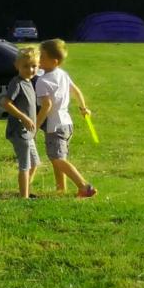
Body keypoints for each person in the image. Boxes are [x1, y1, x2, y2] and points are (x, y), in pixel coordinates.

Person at [34, 38, 97, 199]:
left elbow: (46, 106)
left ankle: (84, 186)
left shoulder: (43, 81)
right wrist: (83, 108)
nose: (38, 59)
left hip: (54, 126)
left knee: (56, 158)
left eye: (42, 57)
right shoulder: (62, 74)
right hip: (67, 124)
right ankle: (60, 189)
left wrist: (35, 125)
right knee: (59, 158)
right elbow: (76, 91)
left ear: (54, 61)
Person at [1, 45, 43, 199]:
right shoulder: (17, 83)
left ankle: (24, 190)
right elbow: (6, 103)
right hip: (19, 131)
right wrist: (24, 117)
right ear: (16, 65)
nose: (31, 70)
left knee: (35, 163)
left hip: (28, 133)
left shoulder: (29, 82)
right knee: (25, 165)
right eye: (26, 66)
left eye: (34, 66)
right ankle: (23, 197)